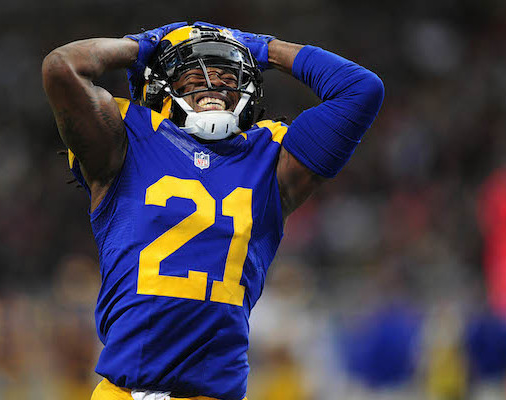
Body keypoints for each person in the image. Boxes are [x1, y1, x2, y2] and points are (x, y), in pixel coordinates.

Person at [42, 21, 384, 400]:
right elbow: (62, 67)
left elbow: (361, 89)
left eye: (227, 77)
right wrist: (140, 46)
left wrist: (265, 48)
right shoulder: (126, 140)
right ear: (160, 85)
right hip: (123, 392)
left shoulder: (269, 158)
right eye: (194, 77)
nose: (214, 84)